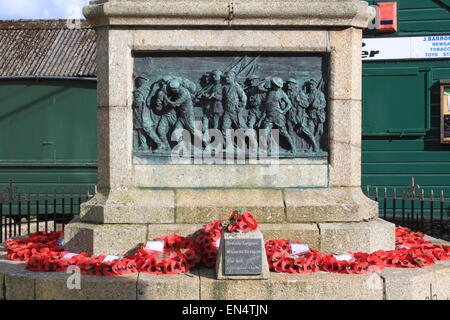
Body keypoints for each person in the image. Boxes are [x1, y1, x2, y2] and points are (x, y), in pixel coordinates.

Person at [261, 77, 297, 153]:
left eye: (275, 85)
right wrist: (266, 81)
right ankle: (268, 148)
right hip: (269, 116)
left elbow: (289, 104)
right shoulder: (269, 91)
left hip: (278, 116)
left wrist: (283, 111)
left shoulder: (281, 93)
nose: (274, 86)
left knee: (283, 132)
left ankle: (293, 147)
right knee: (265, 131)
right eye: (273, 84)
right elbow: (260, 87)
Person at [132, 76, 163, 152]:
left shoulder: (139, 91)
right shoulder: (147, 90)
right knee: (140, 129)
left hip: (142, 114)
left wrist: (132, 102)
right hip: (141, 114)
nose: (137, 83)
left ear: (140, 82)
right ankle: (143, 146)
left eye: (138, 82)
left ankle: (160, 143)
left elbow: (138, 103)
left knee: (147, 129)